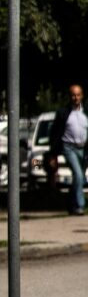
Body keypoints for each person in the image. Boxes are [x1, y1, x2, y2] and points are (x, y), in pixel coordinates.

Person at [48, 84, 88, 215]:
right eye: (73, 95)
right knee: (78, 174)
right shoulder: (63, 113)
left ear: (81, 96)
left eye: (78, 95)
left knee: (80, 178)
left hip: (83, 148)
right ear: (70, 96)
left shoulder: (86, 112)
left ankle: (71, 204)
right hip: (68, 147)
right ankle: (80, 206)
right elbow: (54, 133)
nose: (76, 98)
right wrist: (53, 154)